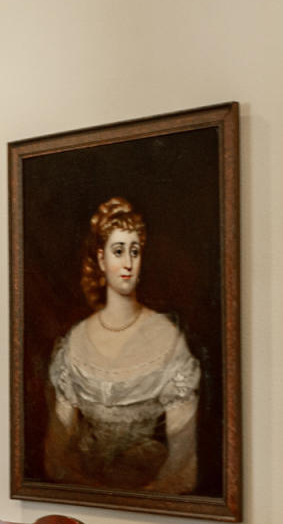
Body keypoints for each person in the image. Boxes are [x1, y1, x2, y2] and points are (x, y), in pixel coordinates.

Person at [45, 196, 201, 494]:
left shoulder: (166, 338)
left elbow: (183, 463)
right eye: (118, 251)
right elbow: (57, 454)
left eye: (135, 251)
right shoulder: (75, 342)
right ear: (102, 259)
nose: (128, 263)